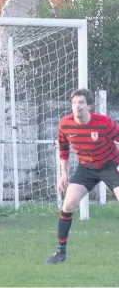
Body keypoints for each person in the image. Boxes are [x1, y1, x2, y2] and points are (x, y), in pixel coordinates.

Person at [45, 88, 119, 264]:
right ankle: (60, 252)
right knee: (68, 204)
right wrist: (63, 174)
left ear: (89, 106)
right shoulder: (65, 124)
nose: (77, 106)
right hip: (86, 168)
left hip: (110, 165)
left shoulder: (103, 122)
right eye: (74, 103)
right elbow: (63, 150)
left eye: (81, 103)